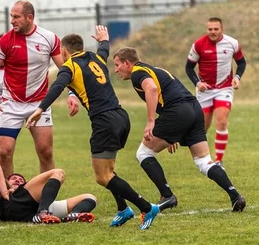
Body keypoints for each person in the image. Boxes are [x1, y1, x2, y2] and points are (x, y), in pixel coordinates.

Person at [26, 26, 160, 229]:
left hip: (104, 121)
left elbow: (57, 86)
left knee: (102, 176)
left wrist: (40, 108)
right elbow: (104, 50)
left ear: (64, 51)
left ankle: (146, 207)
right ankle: (123, 209)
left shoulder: (69, 66)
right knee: (109, 170)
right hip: (121, 117)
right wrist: (104, 40)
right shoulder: (96, 58)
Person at [114, 47, 246, 212]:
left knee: (143, 153)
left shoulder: (137, 73)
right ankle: (235, 195)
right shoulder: (151, 68)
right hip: (194, 108)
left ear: (127, 63)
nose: (116, 69)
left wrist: (150, 122)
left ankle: (167, 196)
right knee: (203, 161)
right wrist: (173, 132)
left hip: (178, 111)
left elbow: (152, 89)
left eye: (117, 64)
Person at [0, 0, 79, 178]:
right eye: (11, 16)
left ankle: (44, 200)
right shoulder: (4, 42)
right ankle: (8, 199)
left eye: (16, 16)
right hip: (10, 104)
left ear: (30, 17)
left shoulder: (48, 38)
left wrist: (72, 93)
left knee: (46, 152)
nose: (12, 20)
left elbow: (65, 70)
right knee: (4, 152)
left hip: (39, 104)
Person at [186, 17, 246, 167]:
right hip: (205, 91)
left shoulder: (232, 43)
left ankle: (218, 161)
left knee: (222, 121)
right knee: (202, 127)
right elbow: (188, 68)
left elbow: (241, 63)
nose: (212, 32)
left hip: (224, 88)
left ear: (222, 29)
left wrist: (237, 77)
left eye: (216, 29)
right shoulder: (198, 45)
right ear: (207, 30)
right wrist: (197, 83)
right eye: (210, 29)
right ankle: (202, 158)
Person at [0, 170, 96, 224]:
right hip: (16, 203)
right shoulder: (1, 192)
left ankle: (74, 215)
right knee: (58, 172)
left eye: (21, 180)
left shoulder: (35, 196)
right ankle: (42, 212)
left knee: (90, 197)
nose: (18, 180)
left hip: (33, 210)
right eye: (14, 179)